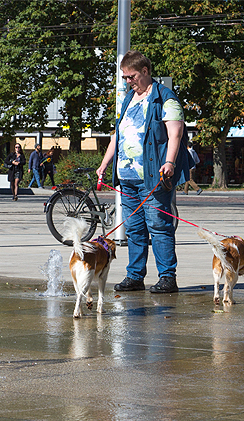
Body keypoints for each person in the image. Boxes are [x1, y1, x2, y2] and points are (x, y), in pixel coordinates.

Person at [96, 49, 190, 294]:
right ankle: (135, 276)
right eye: (125, 77)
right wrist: (105, 163)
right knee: (135, 229)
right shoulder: (128, 99)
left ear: (145, 71)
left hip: (152, 177)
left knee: (159, 226)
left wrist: (169, 163)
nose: (128, 82)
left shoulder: (165, 98)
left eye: (132, 76)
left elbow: (175, 135)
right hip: (126, 179)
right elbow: (118, 134)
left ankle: (168, 277)